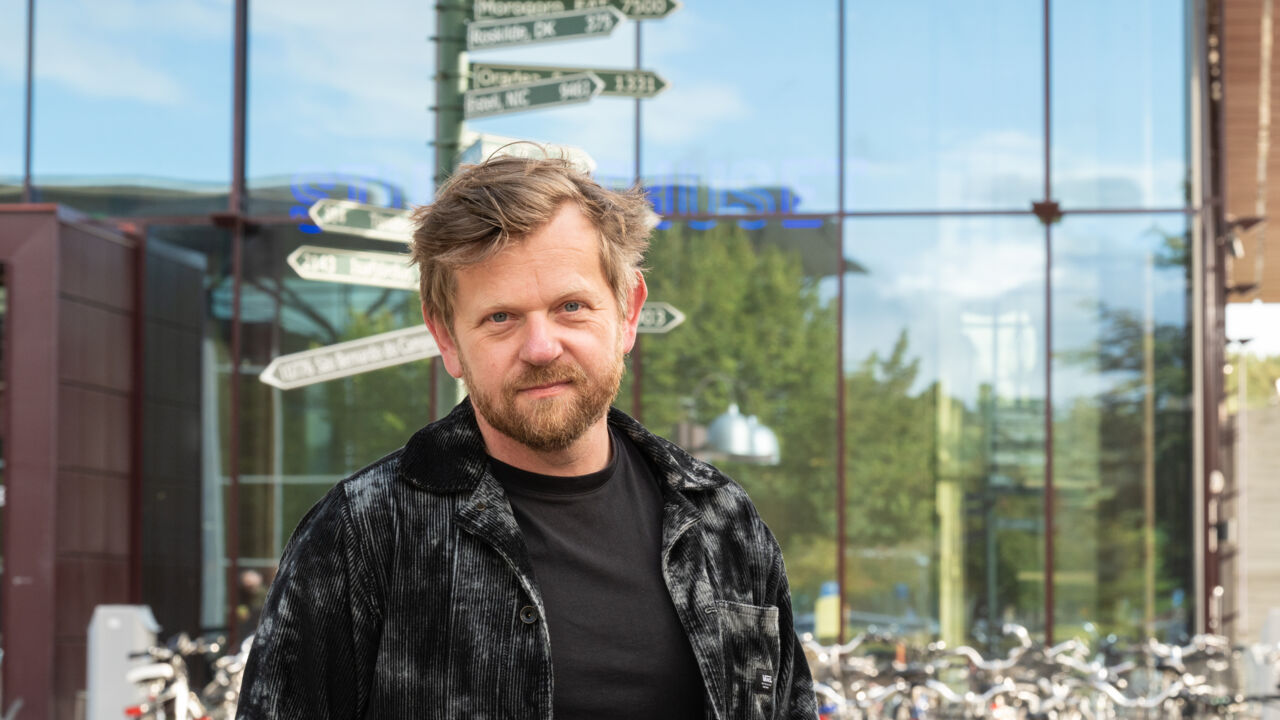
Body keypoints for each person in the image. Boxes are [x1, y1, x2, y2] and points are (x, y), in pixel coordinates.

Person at [236, 154, 817, 719]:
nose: (541, 348)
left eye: (571, 306)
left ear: (628, 311)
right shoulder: (363, 535)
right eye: (500, 318)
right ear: (446, 337)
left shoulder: (724, 525)